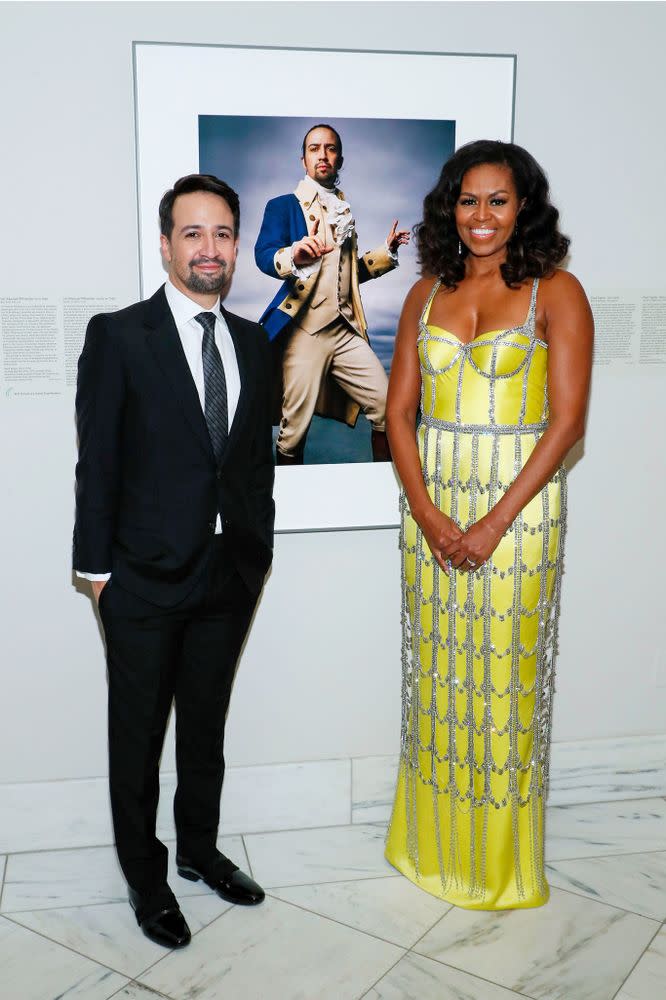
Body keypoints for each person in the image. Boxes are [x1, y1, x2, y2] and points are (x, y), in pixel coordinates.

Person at [384, 140, 593, 909]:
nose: (481, 217)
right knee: (438, 684)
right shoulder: (425, 295)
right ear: (450, 206)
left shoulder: (557, 292)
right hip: (428, 516)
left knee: (503, 684)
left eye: (498, 200)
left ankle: (494, 866)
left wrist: (492, 524)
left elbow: (566, 423)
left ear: (524, 207)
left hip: (520, 520)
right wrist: (431, 514)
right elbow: (398, 414)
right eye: (468, 200)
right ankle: (428, 846)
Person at [73, 174, 275, 947]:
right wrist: (95, 572)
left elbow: (252, 463)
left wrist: (256, 549)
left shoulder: (253, 341)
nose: (210, 249)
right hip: (142, 580)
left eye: (222, 233)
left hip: (231, 574)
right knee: (138, 736)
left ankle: (199, 850)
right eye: (193, 234)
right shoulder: (121, 335)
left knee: (207, 728)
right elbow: (99, 461)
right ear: (165, 245)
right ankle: (146, 877)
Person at [254, 123, 409, 464]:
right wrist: (294, 254)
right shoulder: (282, 205)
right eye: (314, 148)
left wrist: (386, 251)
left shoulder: (344, 209)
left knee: (385, 406)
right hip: (304, 331)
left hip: (344, 329)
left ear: (339, 159)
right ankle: (290, 506)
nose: (322, 155)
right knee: (293, 431)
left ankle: (379, 489)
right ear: (303, 159)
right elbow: (263, 254)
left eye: (330, 148)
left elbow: (348, 276)